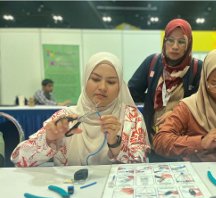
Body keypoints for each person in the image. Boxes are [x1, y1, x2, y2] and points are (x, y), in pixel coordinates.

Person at [11, 52, 151, 166]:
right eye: (95, 79)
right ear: (85, 80)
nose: (102, 87)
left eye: (111, 82)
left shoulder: (131, 117)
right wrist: (48, 140)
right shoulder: (65, 118)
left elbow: (141, 165)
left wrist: (115, 143)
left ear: (120, 87)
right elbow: (18, 159)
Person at [128, 18, 203, 162]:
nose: (175, 46)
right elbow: (132, 91)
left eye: (181, 42)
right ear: (164, 41)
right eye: (170, 40)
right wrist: (152, 100)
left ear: (188, 45)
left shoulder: (197, 68)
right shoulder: (153, 62)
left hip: (184, 145)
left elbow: (202, 104)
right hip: (154, 141)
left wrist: (176, 112)